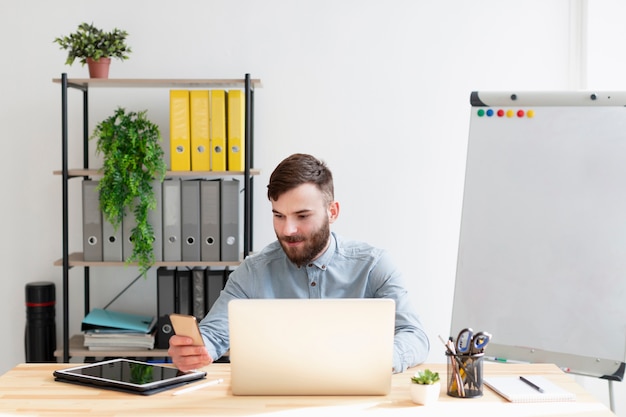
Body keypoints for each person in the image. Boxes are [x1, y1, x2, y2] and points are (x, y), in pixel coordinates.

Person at [168, 153, 430, 373]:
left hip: (353, 396)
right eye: (278, 215)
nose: (288, 229)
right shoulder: (253, 271)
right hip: (270, 403)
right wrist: (196, 351)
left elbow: (415, 336)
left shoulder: (374, 266)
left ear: (333, 212)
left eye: (302, 215)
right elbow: (213, 336)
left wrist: (374, 361)